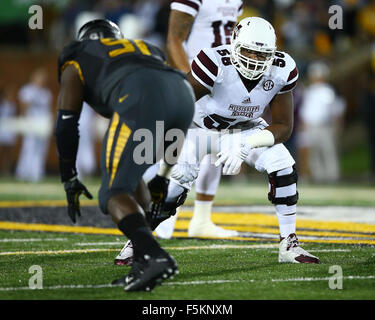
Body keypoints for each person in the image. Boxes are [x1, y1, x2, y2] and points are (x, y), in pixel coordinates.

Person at [56, 19, 195, 292]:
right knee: (131, 181)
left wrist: (69, 175)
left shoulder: (78, 57)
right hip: (183, 95)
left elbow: (66, 123)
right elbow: (167, 105)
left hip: (140, 95)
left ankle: (155, 256)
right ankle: (142, 264)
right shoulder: (142, 48)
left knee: (112, 192)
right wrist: (164, 177)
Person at [173, 16, 320, 264]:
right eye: (250, 52)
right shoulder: (214, 62)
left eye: (263, 55)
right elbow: (178, 105)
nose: (255, 60)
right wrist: (173, 150)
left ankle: (289, 243)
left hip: (245, 130)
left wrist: (246, 144)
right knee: (173, 189)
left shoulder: (283, 69)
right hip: (200, 129)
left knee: (283, 163)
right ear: (235, 46)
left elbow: (284, 127)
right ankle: (137, 241)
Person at [114, 0, 243, 266]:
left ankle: (202, 219)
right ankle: (153, 214)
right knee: (180, 146)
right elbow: (174, 38)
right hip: (198, 75)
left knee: (216, 138)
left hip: (224, 77)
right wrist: (191, 79)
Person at [298, 61, 346, 183]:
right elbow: (306, 111)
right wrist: (304, 125)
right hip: (311, 126)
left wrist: (337, 125)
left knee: (328, 151)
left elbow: (334, 111)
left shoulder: (328, 91)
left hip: (325, 126)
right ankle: (319, 177)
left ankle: (332, 177)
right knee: (314, 153)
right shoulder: (309, 91)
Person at [15, 68, 52, 182]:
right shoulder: (26, 90)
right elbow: (23, 106)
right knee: (29, 147)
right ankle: (23, 172)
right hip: (31, 122)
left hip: (42, 122)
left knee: (41, 148)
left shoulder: (46, 93)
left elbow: (48, 109)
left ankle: (37, 173)